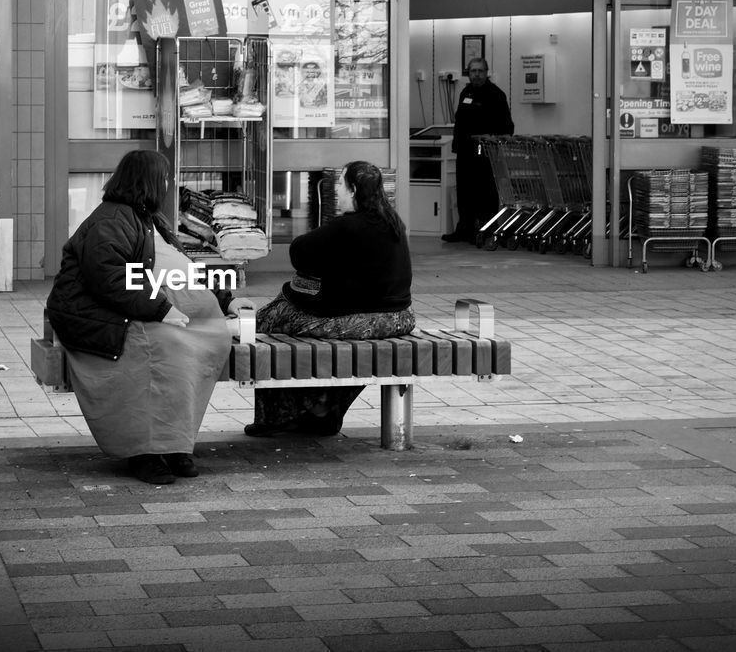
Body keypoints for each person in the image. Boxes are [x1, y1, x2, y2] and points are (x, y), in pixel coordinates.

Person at [45, 149, 236, 484]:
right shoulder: (112, 220)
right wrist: (162, 310)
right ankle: (144, 452)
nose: (167, 184)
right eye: (164, 177)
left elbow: (183, 270)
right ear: (148, 181)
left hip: (122, 310)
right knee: (164, 348)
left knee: (204, 340)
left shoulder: (145, 218)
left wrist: (224, 300)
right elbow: (109, 279)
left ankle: (174, 442)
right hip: (95, 316)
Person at [245, 160, 415, 437]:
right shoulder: (393, 222)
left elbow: (299, 251)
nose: (337, 190)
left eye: (340, 184)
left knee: (275, 317)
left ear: (353, 189)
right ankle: (322, 409)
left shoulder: (347, 226)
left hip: (360, 321)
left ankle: (277, 417)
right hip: (399, 320)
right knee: (330, 341)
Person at [444, 57, 514, 244]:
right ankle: (464, 229)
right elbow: (460, 122)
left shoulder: (496, 95)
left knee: (485, 194)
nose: (476, 74)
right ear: (469, 73)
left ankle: (486, 230)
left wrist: (491, 138)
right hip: (465, 151)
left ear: (486, 72)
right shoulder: (466, 92)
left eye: (480, 71)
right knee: (465, 193)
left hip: (486, 153)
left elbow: (507, 126)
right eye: (473, 71)